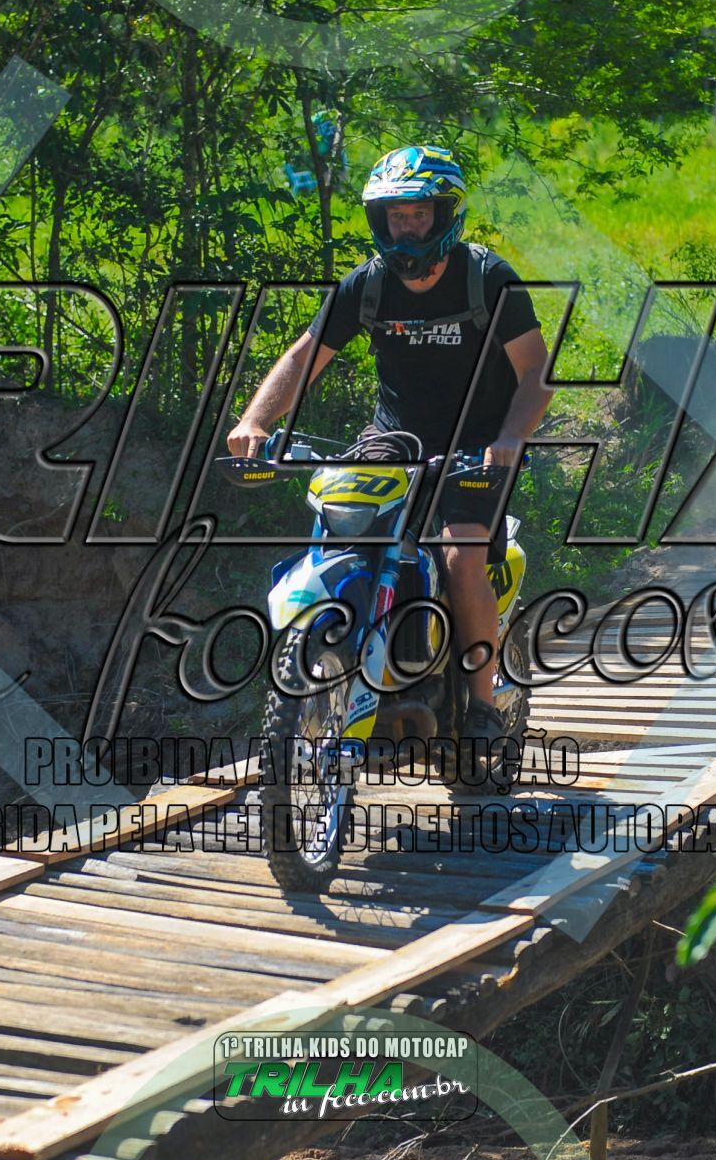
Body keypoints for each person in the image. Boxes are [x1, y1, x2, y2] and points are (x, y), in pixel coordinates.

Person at [226, 145, 554, 742]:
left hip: (478, 446)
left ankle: (481, 706)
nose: (406, 227)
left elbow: (536, 371)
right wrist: (255, 421)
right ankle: (361, 674)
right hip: (393, 439)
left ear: (445, 214)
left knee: (460, 555)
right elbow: (303, 357)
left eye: (418, 214)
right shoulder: (369, 284)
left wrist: (509, 438)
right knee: (347, 531)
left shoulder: (487, 278)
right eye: (395, 216)